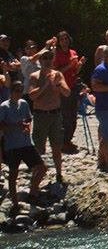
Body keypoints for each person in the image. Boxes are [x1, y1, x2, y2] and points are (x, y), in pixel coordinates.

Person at [0, 79, 47, 210]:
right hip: (12, 145)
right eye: (17, 91)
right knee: (13, 173)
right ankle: (15, 203)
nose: (19, 93)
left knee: (42, 168)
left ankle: (32, 192)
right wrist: (16, 125)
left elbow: (28, 118)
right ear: (11, 92)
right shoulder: (4, 107)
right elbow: (1, 126)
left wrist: (27, 125)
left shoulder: (24, 103)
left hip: (26, 143)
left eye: (21, 91)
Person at [27, 48, 70, 185]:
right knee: (39, 148)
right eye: (44, 58)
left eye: (50, 57)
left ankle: (59, 173)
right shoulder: (34, 76)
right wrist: (45, 84)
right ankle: (36, 175)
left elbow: (67, 93)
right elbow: (32, 95)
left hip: (55, 115)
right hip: (41, 116)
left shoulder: (57, 75)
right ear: (40, 60)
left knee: (57, 146)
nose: (47, 61)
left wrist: (58, 85)